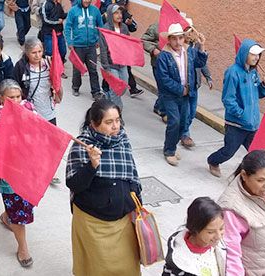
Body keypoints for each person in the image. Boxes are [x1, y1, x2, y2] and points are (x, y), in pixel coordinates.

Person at [66, 99, 142, 276]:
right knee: (96, 269)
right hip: (94, 224)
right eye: (109, 122)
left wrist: (138, 204)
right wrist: (92, 165)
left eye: (117, 120)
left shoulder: (122, 140)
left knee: (128, 268)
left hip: (124, 222)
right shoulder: (82, 146)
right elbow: (74, 184)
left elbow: (132, 173)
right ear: (94, 124)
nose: (115, 126)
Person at [0, 79, 36, 268]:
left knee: (25, 203)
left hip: (26, 167)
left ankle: (6, 216)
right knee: (18, 209)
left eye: (18, 96)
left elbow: (40, 133)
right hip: (7, 169)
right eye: (11, 97)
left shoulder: (29, 108)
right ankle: (23, 248)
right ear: (1, 98)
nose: (16, 100)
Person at [207, 39, 265, 177]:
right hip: (236, 124)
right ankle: (213, 161)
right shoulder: (232, 72)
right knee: (228, 151)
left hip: (253, 125)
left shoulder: (253, 72)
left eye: (258, 55)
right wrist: (241, 114)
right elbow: (228, 99)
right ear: (244, 54)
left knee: (257, 152)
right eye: (253, 54)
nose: (256, 58)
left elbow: (258, 94)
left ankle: (254, 175)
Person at [155, 23, 207, 166]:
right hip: (170, 95)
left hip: (186, 94)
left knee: (183, 123)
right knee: (175, 121)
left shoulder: (189, 51)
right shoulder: (164, 57)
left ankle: (171, 145)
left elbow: (199, 63)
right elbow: (163, 79)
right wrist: (180, 89)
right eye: (174, 39)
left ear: (184, 38)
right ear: (169, 40)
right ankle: (169, 151)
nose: (178, 42)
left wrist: (202, 47)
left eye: (180, 38)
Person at [162, 197, 226, 276]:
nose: (219, 236)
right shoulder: (178, 264)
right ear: (195, 229)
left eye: (221, 228)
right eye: (210, 232)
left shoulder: (221, 247)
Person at [64, 0, 104, 99]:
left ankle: (96, 92)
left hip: (91, 47)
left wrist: (98, 40)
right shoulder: (73, 11)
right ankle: (75, 87)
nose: (87, 1)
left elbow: (100, 27)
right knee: (77, 69)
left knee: (93, 69)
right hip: (78, 46)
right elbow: (67, 27)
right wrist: (70, 42)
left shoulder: (95, 11)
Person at [180, 18, 213, 148]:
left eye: (191, 30)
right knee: (186, 111)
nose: (189, 33)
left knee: (192, 112)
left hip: (195, 85)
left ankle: (182, 128)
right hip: (184, 87)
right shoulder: (180, 48)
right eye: (187, 31)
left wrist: (208, 77)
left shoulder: (197, 46)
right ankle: (185, 134)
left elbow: (202, 63)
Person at [112, 0, 143, 98]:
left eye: (122, 5)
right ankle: (106, 87)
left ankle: (132, 89)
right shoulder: (107, 15)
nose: (121, 7)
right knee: (111, 69)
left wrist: (129, 24)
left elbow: (134, 27)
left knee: (127, 68)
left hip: (123, 47)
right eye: (118, 5)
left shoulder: (126, 14)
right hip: (112, 47)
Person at [99, 4, 130, 109]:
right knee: (115, 88)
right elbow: (103, 50)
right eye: (116, 13)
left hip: (122, 64)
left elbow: (128, 44)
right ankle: (118, 111)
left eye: (120, 12)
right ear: (110, 15)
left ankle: (108, 97)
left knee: (123, 86)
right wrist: (106, 67)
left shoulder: (124, 28)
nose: (119, 15)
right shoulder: (105, 29)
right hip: (111, 64)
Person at [142, 22, 166, 122]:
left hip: (173, 65)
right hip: (158, 63)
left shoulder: (178, 28)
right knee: (163, 87)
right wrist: (153, 49)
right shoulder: (155, 27)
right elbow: (144, 40)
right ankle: (164, 112)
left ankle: (158, 106)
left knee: (166, 88)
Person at [39, 0, 67, 67]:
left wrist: (69, 13)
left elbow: (62, 15)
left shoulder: (58, 5)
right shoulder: (45, 5)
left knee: (63, 51)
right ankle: (49, 69)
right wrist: (57, 21)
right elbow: (45, 19)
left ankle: (60, 68)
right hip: (49, 33)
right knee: (49, 52)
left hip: (59, 32)